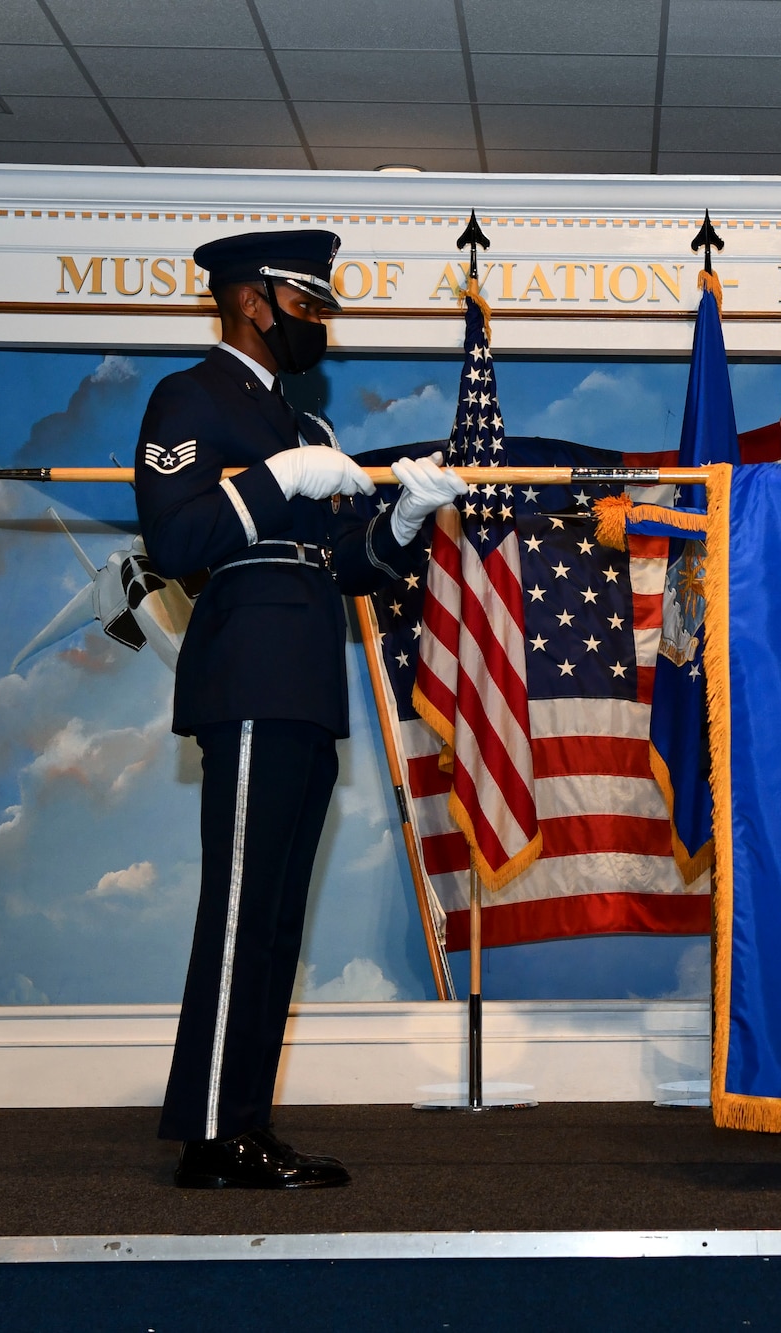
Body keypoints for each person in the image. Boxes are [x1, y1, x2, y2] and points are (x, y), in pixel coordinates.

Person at [136, 229, 466, 1188]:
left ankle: (243, 1121)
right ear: (251, 301)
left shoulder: (306, 426)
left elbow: (346, 564)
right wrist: (273, 480)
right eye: (306, 304)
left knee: (277, 917)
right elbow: (176, 534)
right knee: (242, 909)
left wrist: (401, 520)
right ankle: (210, 1131)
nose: (317, 322)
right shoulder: (191, 396)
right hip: (246, 677)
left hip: (306, 686)